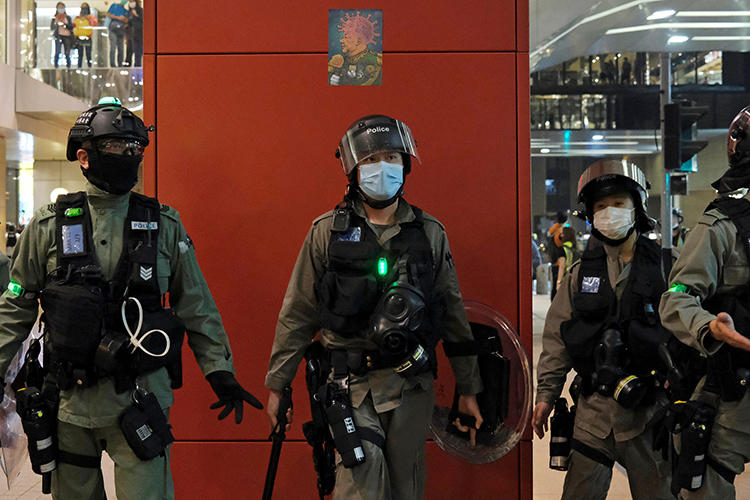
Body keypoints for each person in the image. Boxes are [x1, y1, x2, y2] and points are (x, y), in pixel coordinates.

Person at [0, 97, 262, 499]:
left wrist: (219, 370)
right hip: (70, 404)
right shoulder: (48, 226)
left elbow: (196, 305)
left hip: (139, 399)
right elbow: (15, 303)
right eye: (116, 148)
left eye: (134, 149)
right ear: (84, 157)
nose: (127, 157)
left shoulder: (163, 225)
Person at [264, 114, 483, 499]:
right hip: (349, 385)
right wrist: (278, 385)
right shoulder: (326, 233)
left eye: (392, 158)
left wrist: (468, 387)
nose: (382, 168)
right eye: (370, 160)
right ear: (352, 169)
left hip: (411, 386)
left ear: (406, 165)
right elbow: (298, 312)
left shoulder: (429, 233)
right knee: (361, 475)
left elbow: (451, 313)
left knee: (405, 486)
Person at [533, 159, 674, 500]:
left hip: (649, 415)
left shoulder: (668, 269)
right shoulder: (580, 275)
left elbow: (688, 328)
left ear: (636, 208)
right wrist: (546, 396)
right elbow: (556, 340)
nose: (609, 212)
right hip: (592, 417)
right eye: (600, 206)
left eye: (618, 204)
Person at [659, 105, 750, 499]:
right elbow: (676, 298)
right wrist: (709, 328)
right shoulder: (721, 225)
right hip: (738, 382)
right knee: (705, 482)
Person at [73, 3, 97, 68]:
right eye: (82, 8)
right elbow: (73, 26)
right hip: (79, 38)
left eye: (85, 8)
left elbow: (95, 24)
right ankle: (79, 68)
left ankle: (90, 68)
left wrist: (88, 18)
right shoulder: (77, 18)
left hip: (88, 38)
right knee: (80, 55)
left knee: (88, 54)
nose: (84, 10)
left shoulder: (91, 17)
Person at [51, 3, 74, 69]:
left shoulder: (68, 17)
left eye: (62, 7)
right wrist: (56, 23)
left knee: (67, 53)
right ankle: (56, 66)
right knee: (57, 52)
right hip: (58, 36)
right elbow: (52, 27)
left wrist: (64, 25)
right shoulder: (54, 18)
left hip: (67, 36)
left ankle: (68, 66)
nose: (61, 9)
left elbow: (71, 27)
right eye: (59, 8)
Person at [554, 226, 577, 292]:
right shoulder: (575, 247)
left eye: (562, 233)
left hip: (566, 276)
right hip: (575, 275)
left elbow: (562, 265)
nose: (561, 235)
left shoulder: (562, 248)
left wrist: (558, 282)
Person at [106, 0, 128, 67]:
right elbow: (108, 14)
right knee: (113, 48)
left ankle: (120, 64)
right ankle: (112, 64)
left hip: (121, 30)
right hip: (113, 29)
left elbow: (128, 21)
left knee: (121, 49)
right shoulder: (114, 6)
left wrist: (124, 19)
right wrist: (118, 17)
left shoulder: (125, 11)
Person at [124, 0, 143, 68]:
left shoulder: (141, 11)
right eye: (130, 1)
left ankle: (138, 67)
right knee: (131, 51)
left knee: (138, 52)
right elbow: (129, 23)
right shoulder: (129, 12)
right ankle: (131, 66)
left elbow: (143, 21)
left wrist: (136, 15)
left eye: (133, 1)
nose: (131, 3)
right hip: (132, 35)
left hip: (140, 34)